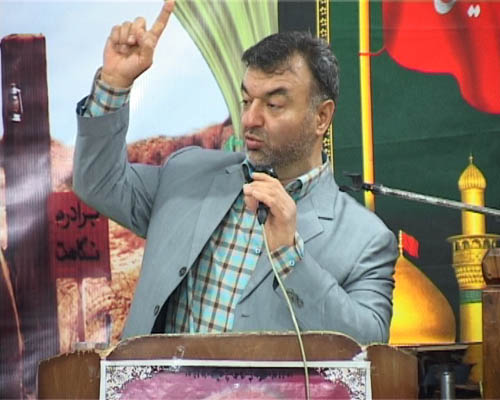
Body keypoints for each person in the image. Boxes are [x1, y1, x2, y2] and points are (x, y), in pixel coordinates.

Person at [73, 0, 397, 344]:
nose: (250, 119)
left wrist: (290, 258)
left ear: (321, 117)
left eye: (273, 104)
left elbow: (368, 345)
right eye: (246, 101)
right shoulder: (187, 176)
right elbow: (99, 183)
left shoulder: (365, 240)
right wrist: (114, 84)